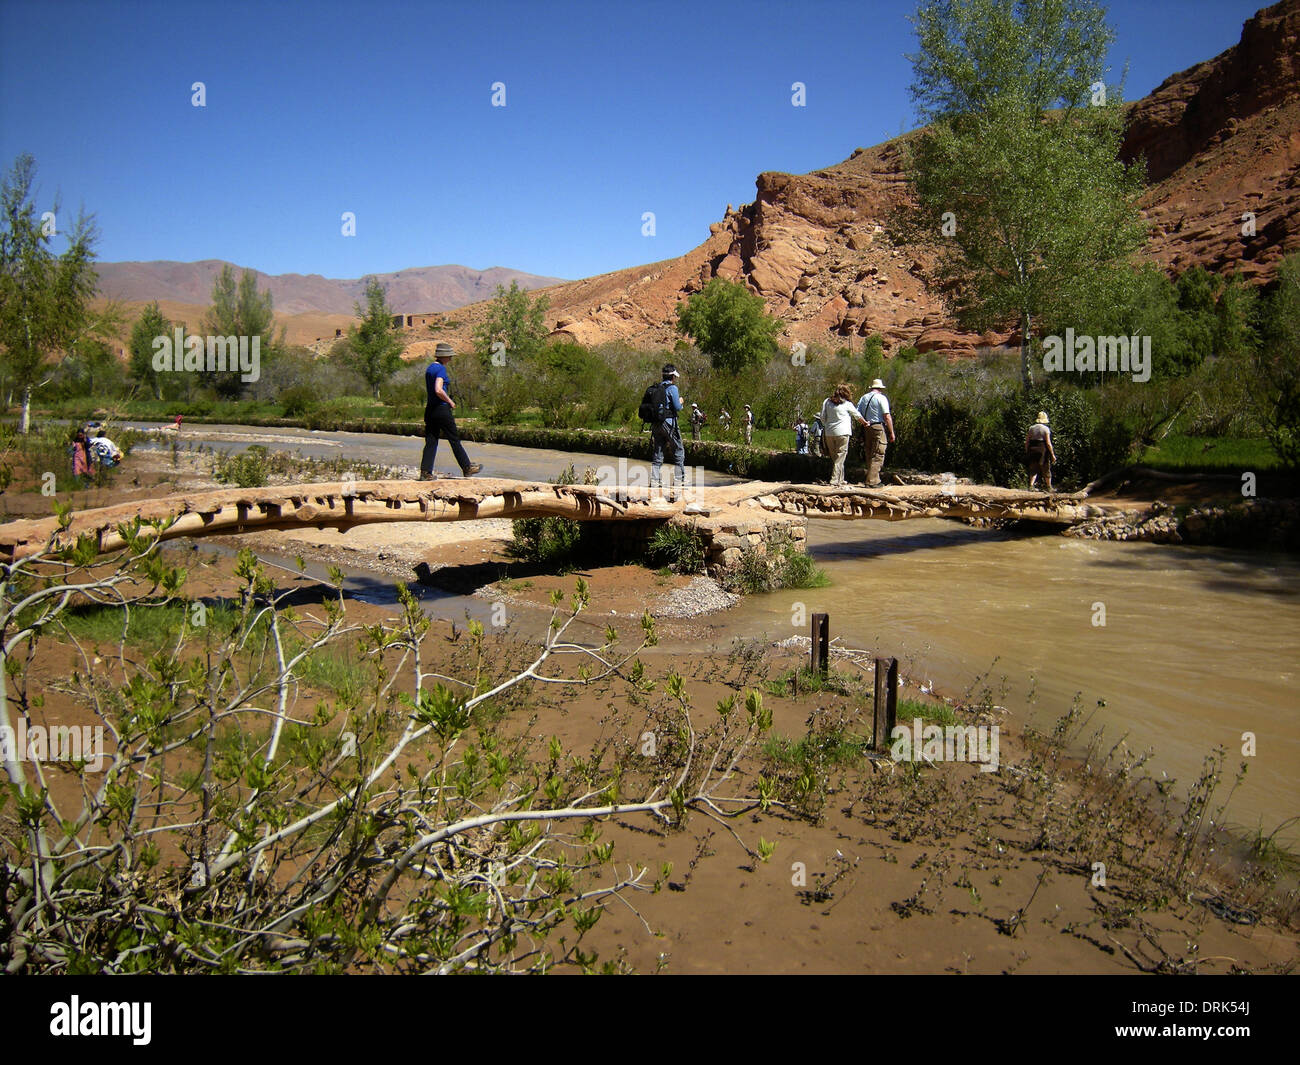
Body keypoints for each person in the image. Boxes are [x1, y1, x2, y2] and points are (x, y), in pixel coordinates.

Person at [420, 342, 482, 480]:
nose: (451, 359)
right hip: (441, 409)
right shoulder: (441, 369)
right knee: (454, 439)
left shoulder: (430, 368)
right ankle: (467, 467)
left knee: (431, 440)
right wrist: (449, 401)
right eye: (450, 356)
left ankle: (425, 472)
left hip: (430, 410)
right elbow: (438, 389)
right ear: (444, 356)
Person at [820, 383, 869, 486]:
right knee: (840, 456)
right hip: (843, 432)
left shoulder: (827, 402)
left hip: (829, 432)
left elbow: (822, 417)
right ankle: (834, 480)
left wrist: (827, 425)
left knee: (835, 458)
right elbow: (857, 415)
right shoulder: (847, 404)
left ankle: (841, 479)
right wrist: (865, 423)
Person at [648, 363, 685, 491]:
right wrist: (680, 402)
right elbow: (677, 407)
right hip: (669, 423)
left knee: (658, 452)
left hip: (656, 424)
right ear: (673, 377)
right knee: (679, 450)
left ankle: (654, 481)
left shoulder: (656, 387)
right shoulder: (672, 388)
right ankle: (679, 482)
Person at [856, 378, 896, 487]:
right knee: (878, 453)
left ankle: (874, 479)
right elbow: (886, 416)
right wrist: (891, 432)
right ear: (880, 389)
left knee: (869, 453)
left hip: (866, 426)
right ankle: (872, 481)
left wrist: (864, 422)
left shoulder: (864, 397)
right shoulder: (881, 398)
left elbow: (857, 412)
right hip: (878, 426)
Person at [1025, 411, 1056, 491]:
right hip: (1042, 450)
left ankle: (1031, 486)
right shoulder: (1046, 429)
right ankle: (1049, 487)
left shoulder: (1031, 428)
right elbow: (1048, 443)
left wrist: (1027, 450)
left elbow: (1027, 441)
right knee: (1046, 468)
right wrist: (1052, 454)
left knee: (1033, 469)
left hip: (1032, 449)